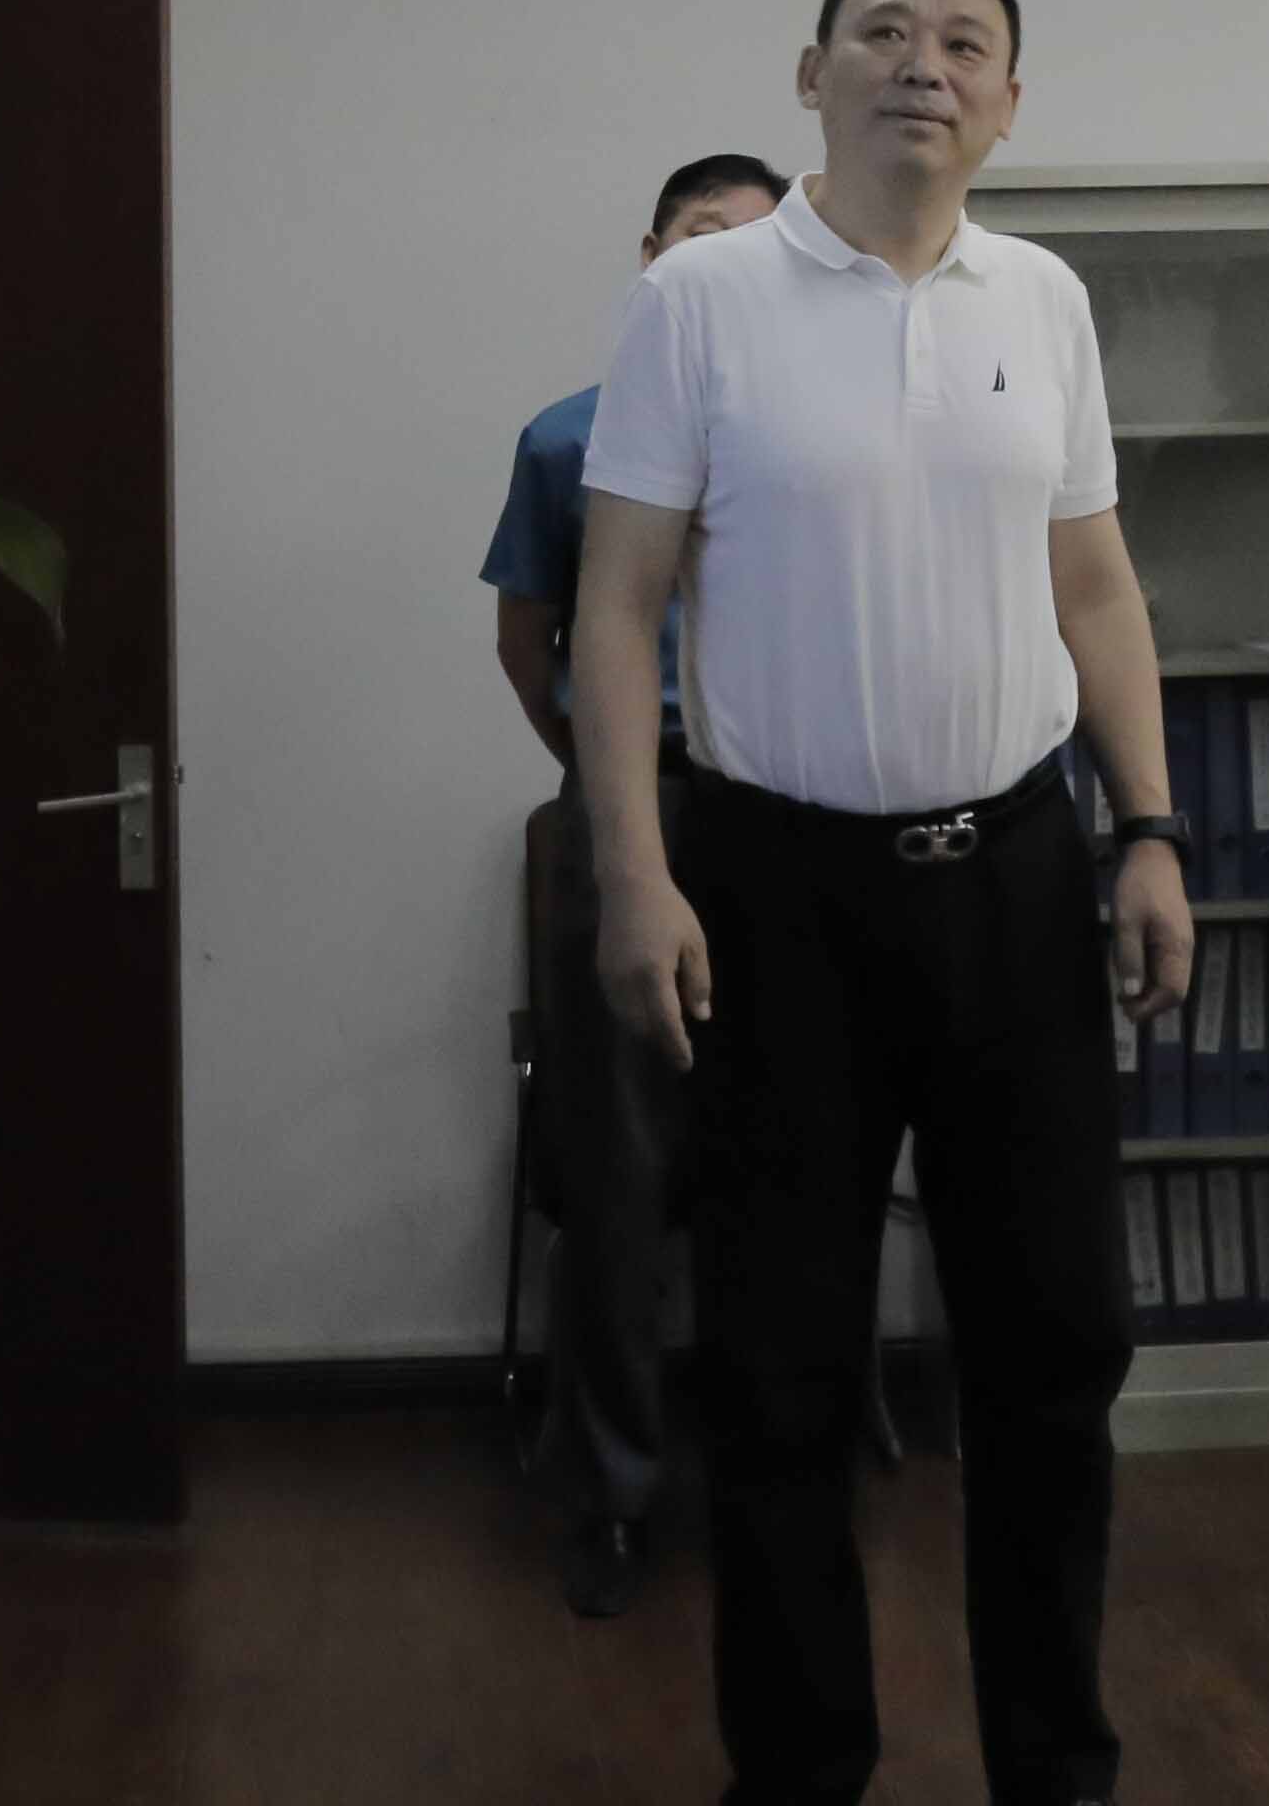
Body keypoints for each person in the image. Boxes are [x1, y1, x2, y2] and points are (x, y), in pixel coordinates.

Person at [575, 0, 1196, 1806]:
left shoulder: (1044, 299)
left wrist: (1150, 825)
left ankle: (1055, 1764)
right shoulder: (702, 302)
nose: (924, 61)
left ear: (1007, 100)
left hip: (1014, 874)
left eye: (964, 41)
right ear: (811, 72)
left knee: (1053, 1350)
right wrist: (633, 874)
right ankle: (798, 1769)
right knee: (775, 1366)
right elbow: (614, 608)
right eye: (884, 30)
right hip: (774, 894)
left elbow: (1096, 583)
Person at [484, 146, 791, 1620]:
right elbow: (527, 645)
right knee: (614, 1166)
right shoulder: (569, 437)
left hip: (791, 813)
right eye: (695, 234)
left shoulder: (808, 435)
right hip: (638, 801)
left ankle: (771, 1481)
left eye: (751, 238)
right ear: (652, 257)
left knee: (785, 1159)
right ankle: (607, 1491)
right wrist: (616, 792)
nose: (719, 260)